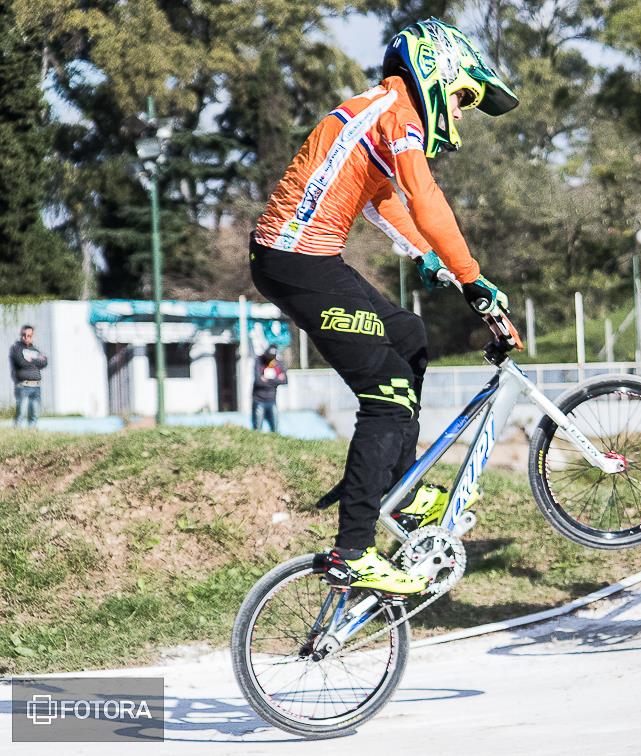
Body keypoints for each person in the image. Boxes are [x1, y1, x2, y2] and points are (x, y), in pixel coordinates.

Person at [249, 18, 518, 594]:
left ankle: (406, 490)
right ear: (438, 71)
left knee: (410, 336)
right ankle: (352, 550)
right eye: (466, 96)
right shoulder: (398, 116)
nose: (464, 111)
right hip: (298, 261)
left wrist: (429, 258)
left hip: (303, 259)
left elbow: (383, 203)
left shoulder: (379, 109)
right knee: (388, 395)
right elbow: (426, 198)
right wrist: (472, 280)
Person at [9, 325, 48, 429]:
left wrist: (31, 360)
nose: (26, 337)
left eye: (29, 335)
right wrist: (36, 361)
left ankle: (31, 433)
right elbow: (22, 363)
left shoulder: (35, 349)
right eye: (24, 335)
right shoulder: (16, 348)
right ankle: (17, 433)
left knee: (34, 414)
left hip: (36, 387)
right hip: (23, 386)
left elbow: (44, 362)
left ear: (32, 336)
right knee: (21, 413)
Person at [252, 346, 288, 432]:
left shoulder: (278, 363)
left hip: (272, 400)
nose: (270, 360)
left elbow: (285, 381)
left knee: (275, 428)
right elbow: (258, 382)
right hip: (259, 400)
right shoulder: (259, 361)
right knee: (257, 428)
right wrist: (276, 379)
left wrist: (267, 379)